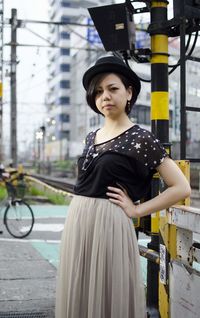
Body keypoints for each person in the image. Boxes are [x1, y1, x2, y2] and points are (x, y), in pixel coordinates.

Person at [55, 55, 191, 318]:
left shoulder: (142, 138)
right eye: (98, 92)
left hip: (111, 224)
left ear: (129, 92)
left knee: (107, 295)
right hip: (79, 220)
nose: (105, 96)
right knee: (80, 291)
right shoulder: (92, 136)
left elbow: (181, 187)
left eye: (112, 88)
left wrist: (138, 211)